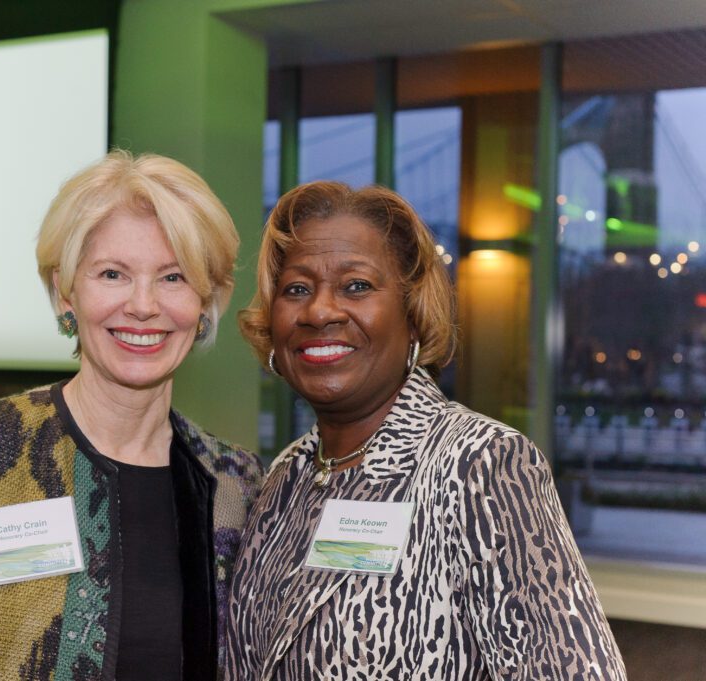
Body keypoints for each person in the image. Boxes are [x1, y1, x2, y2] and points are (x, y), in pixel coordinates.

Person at [0, 150, 264, 681]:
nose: (142, 305)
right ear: (66, 292)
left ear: (207, 302)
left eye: (173, 277)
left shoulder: (235, 484)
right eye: (113, 274)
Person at [225, 181, 626, 680]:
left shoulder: (481, 464)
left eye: (356, 286)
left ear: (412, 316)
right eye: (296, 289)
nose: (320, 310)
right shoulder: (283, 479)